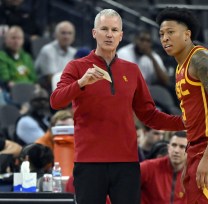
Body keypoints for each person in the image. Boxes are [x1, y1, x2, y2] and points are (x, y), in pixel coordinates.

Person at [50, 9, 185, 204]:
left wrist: (183, 123)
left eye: (114, 30)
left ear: (121, 36)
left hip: (126, 163)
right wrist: (81, 83)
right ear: (94, 33)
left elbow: (149, 115)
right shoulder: (77, 67)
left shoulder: (132, 70)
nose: (109, 34)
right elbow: (56, 101)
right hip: (89, 162)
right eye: (104, 29)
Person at [156, 7, 208, 203]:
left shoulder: (202, 59)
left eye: (170, 32)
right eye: (161, 34)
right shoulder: (179, 67)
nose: (165, 38)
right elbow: (192, 117)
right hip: (195, 147)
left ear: (187, 35)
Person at [140, 131, 188, 204]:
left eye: (182, 147)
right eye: (174, 145)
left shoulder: (194, 173)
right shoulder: (148, 167)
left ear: (190, 150)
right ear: (168, 147)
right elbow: (125, 186)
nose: (176, 150)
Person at [35, 21, 76, 93]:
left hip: (67, 89)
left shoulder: (74, 52)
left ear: (73, 37)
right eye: (63, 33)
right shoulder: (47, 50)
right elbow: (52, 79)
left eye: (70, 33)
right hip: (47, 90)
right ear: (56, 35)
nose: (66, 36)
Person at [0, 26, 36, 91]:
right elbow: (6, 79)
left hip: (30, 88)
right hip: (12, 90)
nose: (16, 41)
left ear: (23, 41)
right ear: (6, 39)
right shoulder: (1, 56)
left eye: (19, 38)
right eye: (13, 38)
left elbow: (33, 78)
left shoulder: (27, 56)